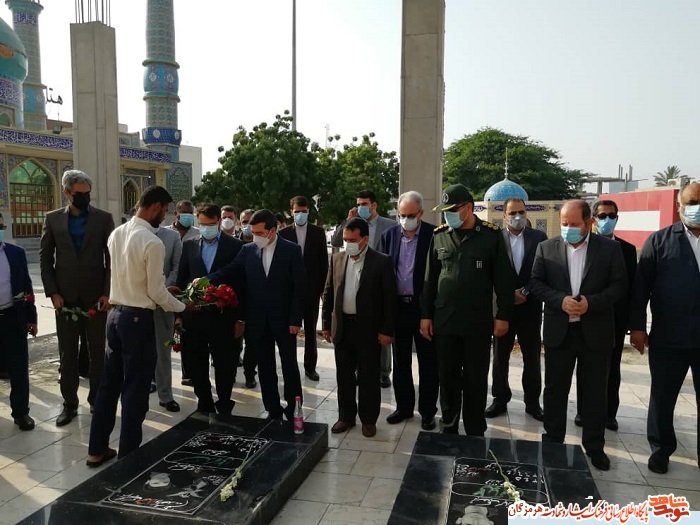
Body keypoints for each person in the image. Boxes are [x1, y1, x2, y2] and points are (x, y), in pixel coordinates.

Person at [86, 186, 193, 467]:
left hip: (115, 316)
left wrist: (163, 292)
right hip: (137, 320)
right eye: (165, 211)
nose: (164, 217)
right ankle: (129, 457)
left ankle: (96, 450)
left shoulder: (117, 233)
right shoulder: (152, 242)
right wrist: (183, 307)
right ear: (155, 206)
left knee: (109, 386)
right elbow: (156, 293)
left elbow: (132, 279)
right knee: (135, 389)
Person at [529, 199, 627, 471]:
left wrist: (590, 303)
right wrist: (560, 300)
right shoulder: (547, 247)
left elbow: (619, 286)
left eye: (574, 224)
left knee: (595, 392)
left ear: (588, 223)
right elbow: (536, 283)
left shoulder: (609, 249)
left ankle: (595, 447)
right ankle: (553, 441)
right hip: (559, 331)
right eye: (564, 223)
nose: (568, 228)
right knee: (555, 389)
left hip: (595, 332)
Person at [421, 184, 513, 436]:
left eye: (453, 210)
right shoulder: (440, 235)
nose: (448, 215)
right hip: (445, 321)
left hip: (477, 322)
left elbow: (504, 281)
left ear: (469, 208)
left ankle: (475, 429)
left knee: (475, 379)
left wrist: (503, 316)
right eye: (445, 211)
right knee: (447, 378)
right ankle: (449, 426)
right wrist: (426, 315)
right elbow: (430, 279)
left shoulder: (491, 235)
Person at [207, 209, 306, 421]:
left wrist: (295, 319)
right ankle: (272, 409)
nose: (255, 237)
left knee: (289, 366)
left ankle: (294, 408)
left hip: (284, 321)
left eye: (259, 233)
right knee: (265, 366)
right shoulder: (248, 250)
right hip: (258, 320)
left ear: (273, 230)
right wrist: (207, 280)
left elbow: (300, 287)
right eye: (253, 233)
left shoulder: (291, 250)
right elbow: (230, 270)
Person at [630, 182, 700, 474]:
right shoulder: (659, 241)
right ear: (679, 205)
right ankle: (660, 449)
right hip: (669, 336)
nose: (697, 208)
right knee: (663, 396)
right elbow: (640, 289)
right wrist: (637, 328)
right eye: (692, 202)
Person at [40, 170, 114, 426]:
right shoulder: (53, 219)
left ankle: (97, 400)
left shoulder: (103, 219)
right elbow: (45, 259)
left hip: (96, 298)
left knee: (97, 352)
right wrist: (53, 292)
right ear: (66, 192)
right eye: (78, 194)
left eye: (87, 193)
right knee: (67, 353)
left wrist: (107, 292)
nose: (84, 197)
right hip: (65, 298)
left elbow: (111, 259)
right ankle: (69, 403)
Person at [323, 218, 396, 437]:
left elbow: (389, 300)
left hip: (369, 329)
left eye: (352, 240)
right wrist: (326, 325)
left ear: (364, 239)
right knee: (344, 376)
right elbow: (329, 293)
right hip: (343, 327)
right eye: (345, 239)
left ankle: (368, 420)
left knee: (368, 377)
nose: (348, 244)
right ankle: (346, 417)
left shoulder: (381, 262)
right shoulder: (337, 258)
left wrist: (386, 330)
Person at [574, 199, 637, 431]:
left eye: (611, 216)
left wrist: (632, 322)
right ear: (593, 219)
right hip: (588, 315)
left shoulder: (627, 250)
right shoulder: (584, 245)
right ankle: (583, 411)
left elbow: (631, 287)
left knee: (612, 368)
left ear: (617, 218)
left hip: (615, 319)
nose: (606, 220)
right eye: (602, 216)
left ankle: (610, 413)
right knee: (586, 367)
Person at [177, 203, 245, 415]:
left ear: (219, 222)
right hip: (195, 317)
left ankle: (224, 401)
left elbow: (242, 284)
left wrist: (241, 319)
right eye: (202, 224)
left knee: (226, 363)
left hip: (224, 317)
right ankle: (204, 401)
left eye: (211, 224)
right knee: (196, 361)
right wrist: (179, 315)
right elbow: (181, 280)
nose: (207, 228)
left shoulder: (235, 246)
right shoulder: (189, 246)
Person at [379, 191, 438, 430]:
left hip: (423, 308)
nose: (406, 220)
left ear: (421, 213)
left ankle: (428, 412)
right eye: (402, 215)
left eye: (411, 215)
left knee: (428, 362)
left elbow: (436, 276)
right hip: (398, 308)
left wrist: (428, 313)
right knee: (401, 361)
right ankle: (403, 407)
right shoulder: (389, 236)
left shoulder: (434, 235)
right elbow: (383, 274)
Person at [486, 198, 547, 422]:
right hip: (503, 309)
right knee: (500, 356)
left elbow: (543, 270)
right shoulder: (495, 239)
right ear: (504, 216)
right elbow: (489, 274)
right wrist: (508, 295)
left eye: (521, 211)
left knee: (532, 357)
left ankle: (532, 403)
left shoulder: (539, 238)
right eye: (512, 213)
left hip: (530, 308)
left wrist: (526, 292)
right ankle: (500, 399)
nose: (517, 216)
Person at [331, 190, 396, 388]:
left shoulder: (388, 225)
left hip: (376, 282)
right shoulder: (350, 228)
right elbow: (336, 242)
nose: (361, 207)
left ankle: (383, 372)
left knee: (377, 345)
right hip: (353, 280)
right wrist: (347, 220)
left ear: (373, 205)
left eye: (364, 204)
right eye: (358, 204)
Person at [279, 196, 329, 381]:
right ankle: (290, 366)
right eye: (297, 211)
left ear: (309, 211)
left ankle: (310, 367)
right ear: (291, 212)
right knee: (290, 331)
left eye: (304, 211)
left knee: (310, 330)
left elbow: (323, 262)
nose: (300, 214)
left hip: (311, 290)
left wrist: (323, 289)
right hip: (290, 292)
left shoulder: (318, 233)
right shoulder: (283, 233)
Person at [0, 212, 37, 431]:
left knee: (19, 368)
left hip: (12, 317)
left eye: (1, 226)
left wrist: (31, 318)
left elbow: (27, 288)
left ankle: (21, 412)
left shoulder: (15, 253)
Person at [168, 199, 200, 386]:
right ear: (176, 214)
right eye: (184, 213)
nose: (187, 216)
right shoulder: (164, 233)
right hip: (167, 288)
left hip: (187, 290)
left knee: (186, 332)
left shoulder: (197, 234)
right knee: (166, 333)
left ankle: (188, 373)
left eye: (190, 213)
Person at [152, 224, 182, 412]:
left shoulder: (172, 236)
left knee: (163, 350)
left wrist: (161, 291)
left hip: (164, 301)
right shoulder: (129, 233)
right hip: (137, 302)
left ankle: (165, 395)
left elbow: (177, 267)